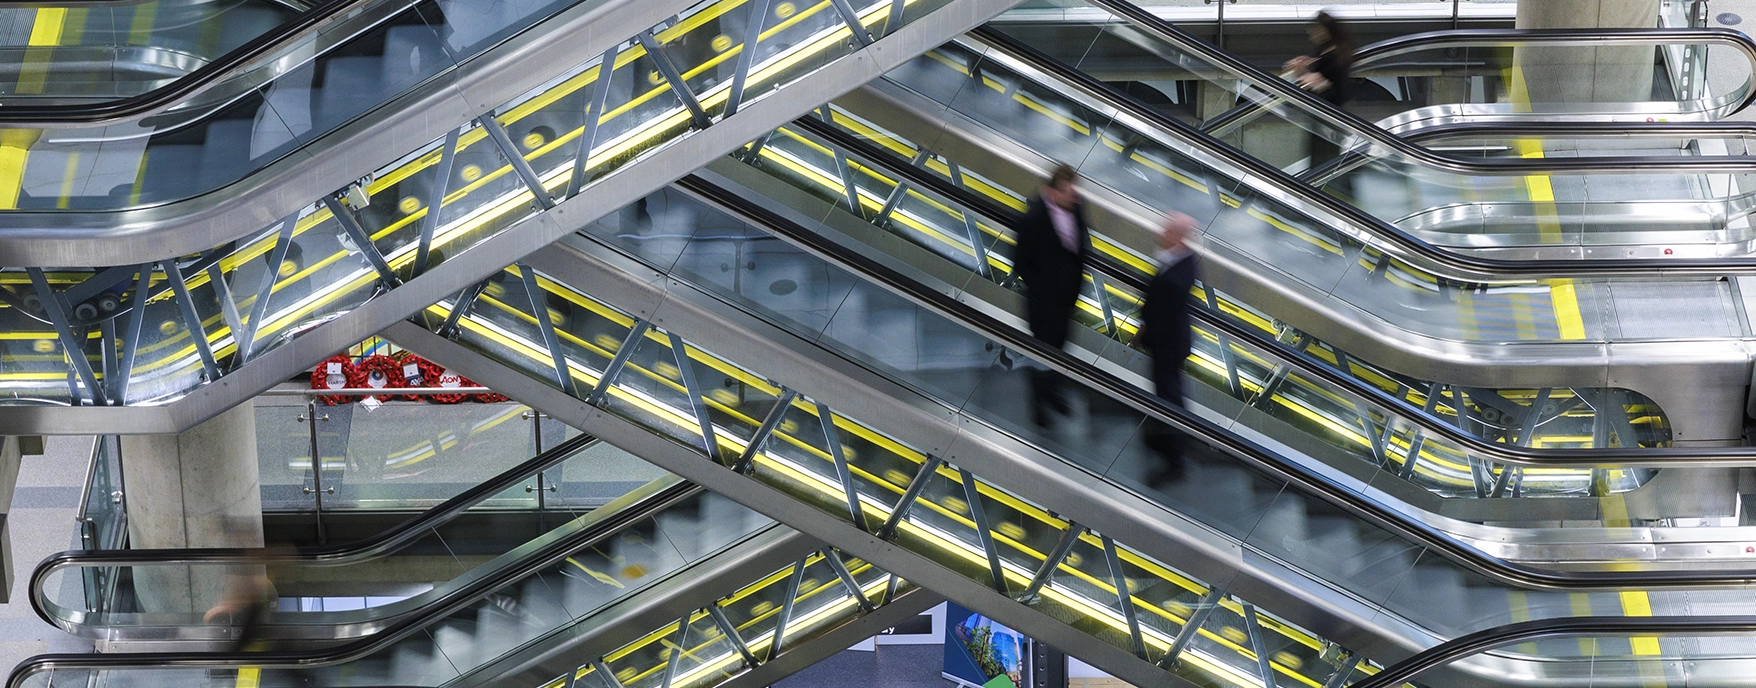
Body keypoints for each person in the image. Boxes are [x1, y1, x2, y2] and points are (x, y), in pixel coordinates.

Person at [1014, 165, 1090, 427]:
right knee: (1040, 354)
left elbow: (1081, 249)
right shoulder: (1033, 218)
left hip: (1066, 299)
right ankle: (1039, 405)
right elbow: (1020, 262)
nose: (1074, 198)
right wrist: (1043, 290)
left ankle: (1053, 392)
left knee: (1060, 349)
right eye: (1068, 193)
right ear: (1053, 191)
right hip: (1042, 303)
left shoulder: (1076, 208)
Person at [1139, 213, 1200, 484]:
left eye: (1167, 230)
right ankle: (1164, 441)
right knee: (1167, 392)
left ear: (1177, 236)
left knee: (1169, 397)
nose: (1161, 232)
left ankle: (1174, 459)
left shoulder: (1179, 271)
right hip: (1169, 342)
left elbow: (1164, 312)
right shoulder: (1178, 260)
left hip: (1168, 344)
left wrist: (1146, 333)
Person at [1284, 11, 1356, 107]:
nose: (1312, 36)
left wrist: (1314, 81)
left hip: (1329, 109)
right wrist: (1307, 62)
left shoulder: (1339, 57)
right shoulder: (1323, 48)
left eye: (1315, 31)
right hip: (1315, 105)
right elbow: (1318, 67)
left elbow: (1336, 91)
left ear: (1325, 31)